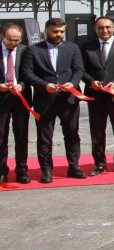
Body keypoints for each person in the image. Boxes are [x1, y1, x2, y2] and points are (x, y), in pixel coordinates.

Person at [20, 18, 86, 183]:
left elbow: (79, 69)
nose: (59, 34)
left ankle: (74, 166)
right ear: (46, 31)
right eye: (55, 32)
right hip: (45, 100)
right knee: (44, 137)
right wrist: (44, 85)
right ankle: (46, 170)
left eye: (62, 31)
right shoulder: (33, 50)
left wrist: (74, 82)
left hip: (69, 99)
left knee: (72, 134)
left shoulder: (72, 48)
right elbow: (27, 73)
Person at [80, 16, 114, 176]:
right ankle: (99, 164)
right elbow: (81, 69)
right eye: (101, 28)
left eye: (107, 27)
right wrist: (91, 82)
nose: (104, 30)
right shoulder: (86, 46)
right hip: (95, 95)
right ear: (95, 29)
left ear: (113, 27)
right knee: (97, 132)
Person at [0, 24, 32, 183]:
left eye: (16, 40)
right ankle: (1, 171)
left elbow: (28, 73)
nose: (13, 43)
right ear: (2, 37)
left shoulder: (25, 50)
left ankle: (21, 170)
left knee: (21, 136)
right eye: (10, 40)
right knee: (1, 137)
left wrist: (22, 85)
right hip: (1, 98)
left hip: (21, 98)